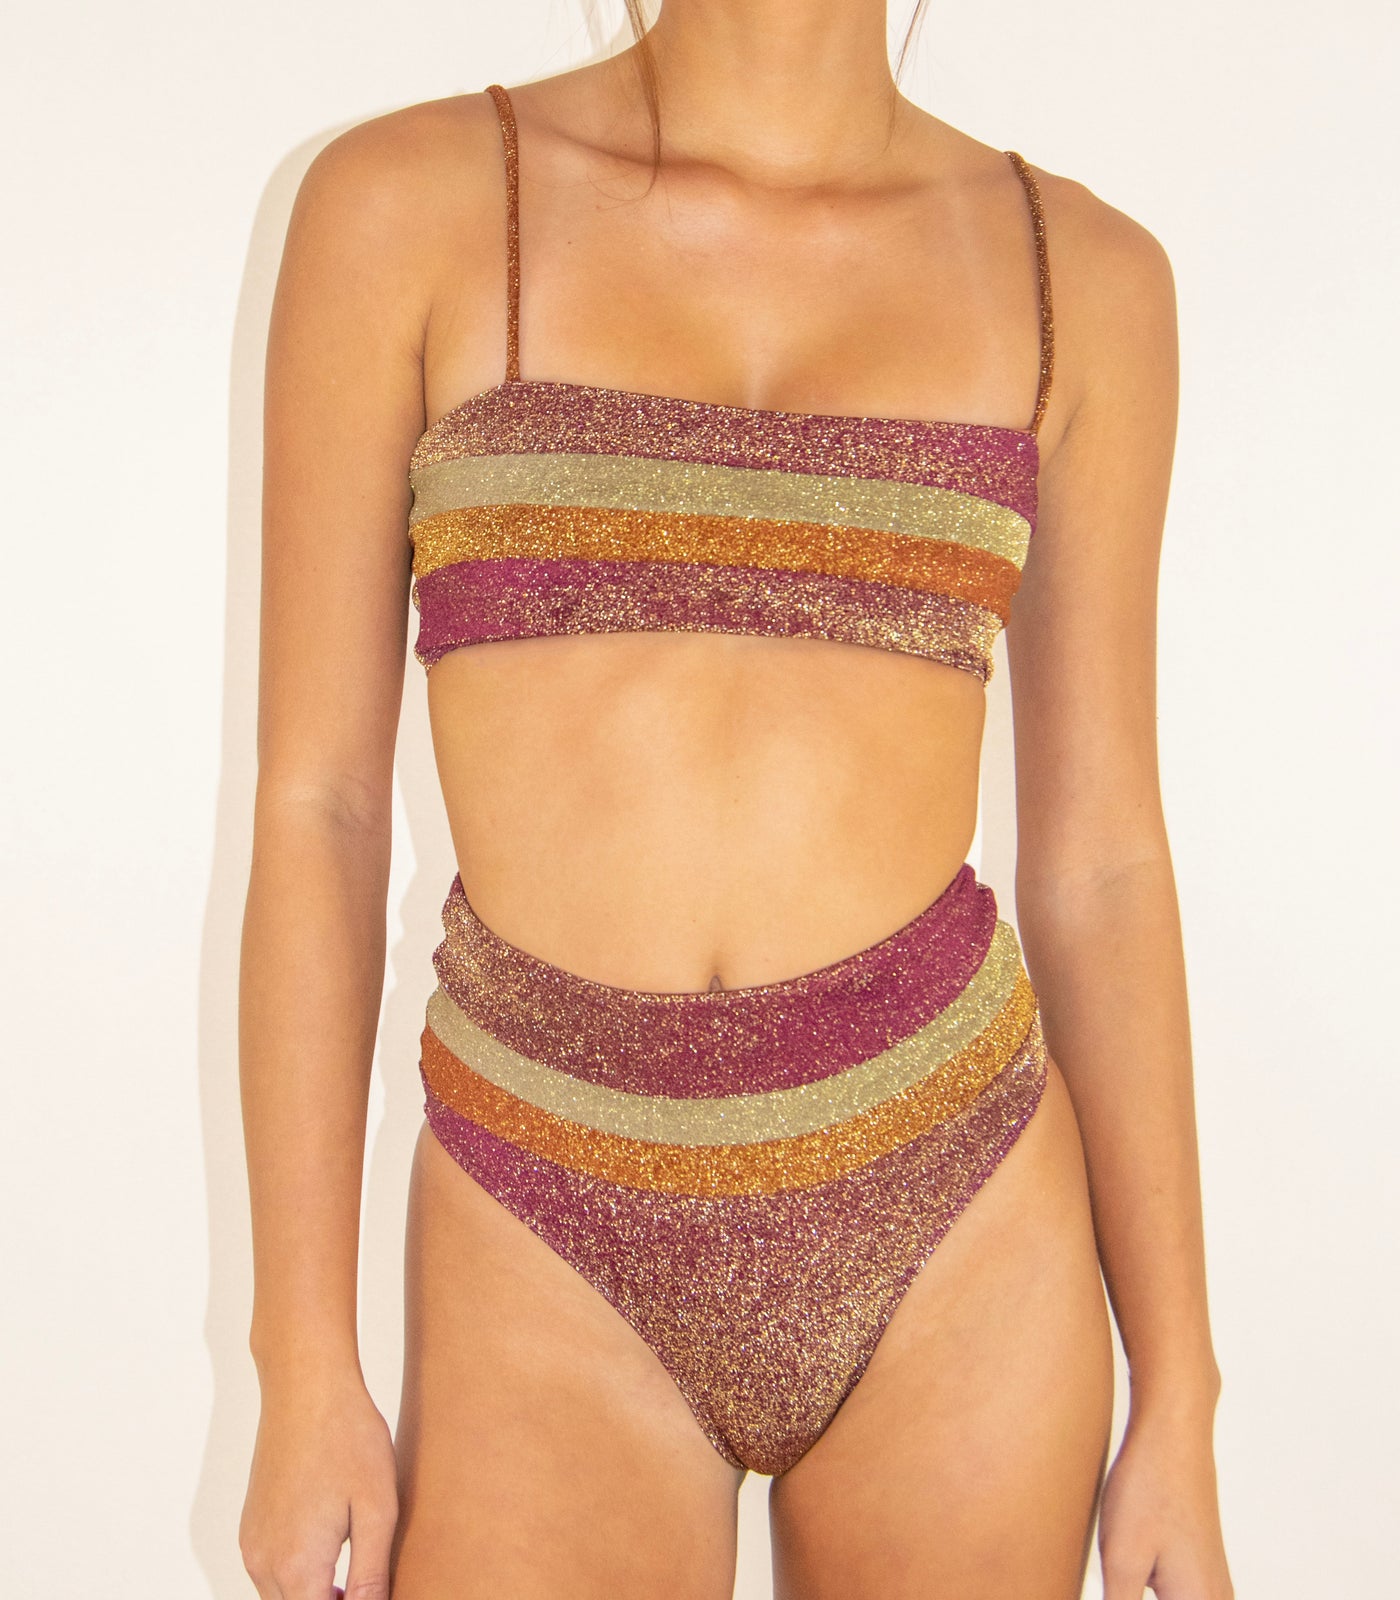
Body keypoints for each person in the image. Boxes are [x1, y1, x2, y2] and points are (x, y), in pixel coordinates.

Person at [236, 7, 1233, 1598]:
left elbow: (1103, 857)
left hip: (954, 1210)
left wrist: (1181, 1386)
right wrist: (301, 1356)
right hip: (540, 1212)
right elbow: (321, 808)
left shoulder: (1089, 278)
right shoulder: (407, 203)